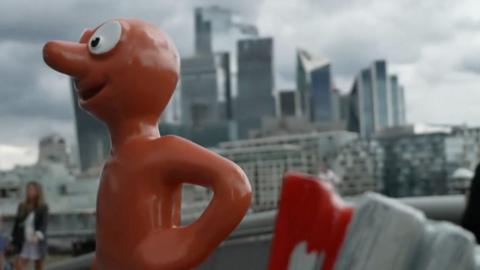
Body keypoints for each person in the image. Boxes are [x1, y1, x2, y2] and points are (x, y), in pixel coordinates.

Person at [11, 181, 48, 270]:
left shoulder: (43, 207)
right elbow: (17, 224)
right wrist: (13, 240)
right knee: (18, 265)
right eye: (28, 189)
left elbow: (43, 224)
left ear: (37, 191)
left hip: (36, 240)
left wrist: (38, 236)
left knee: (39, 266)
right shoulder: (22, 206)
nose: (29, 191)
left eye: (31, 189)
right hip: (24, 240)